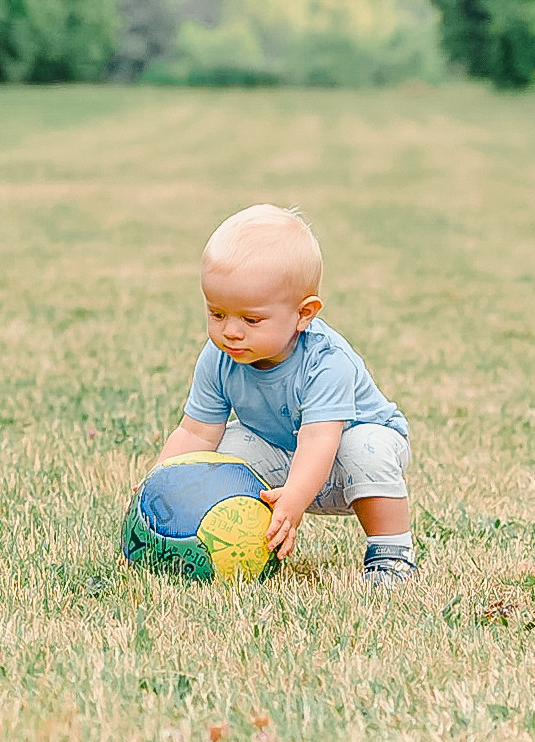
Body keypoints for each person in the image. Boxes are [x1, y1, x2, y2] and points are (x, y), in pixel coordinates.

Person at [154, 203, 416, 588]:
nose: (231, 331)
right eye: (217, 314)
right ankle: (244, 547)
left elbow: (319, 439)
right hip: (285, 456)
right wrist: (161, 482)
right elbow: (195, 433)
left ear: (304, 314)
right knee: (225, 447)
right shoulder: (219, 358)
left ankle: (391, 553)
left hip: (343, 460)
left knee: (365, 447)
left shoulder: (326, 361)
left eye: (251, 319)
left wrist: (293, 499)